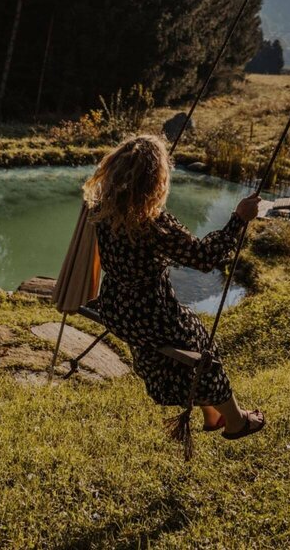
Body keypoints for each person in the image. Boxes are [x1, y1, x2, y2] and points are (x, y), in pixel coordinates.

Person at [83, 135, 266, 440]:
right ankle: (237, 421)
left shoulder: (102, 209)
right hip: (152, 315)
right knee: (204, 353)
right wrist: (238, 219)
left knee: (188, 337)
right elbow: (206, 258)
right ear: (155, 181)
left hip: (117, 309)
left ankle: (211, 414)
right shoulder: (153, 223)